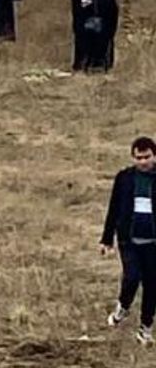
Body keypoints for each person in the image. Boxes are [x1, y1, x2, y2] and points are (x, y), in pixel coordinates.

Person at [100, 136, 156, 345]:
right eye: (138, 158)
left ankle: (145, 328)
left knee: (152, 285)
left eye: (147, 157)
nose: (143, 162)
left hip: (153, 243)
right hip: (129, 240)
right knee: (132, 277)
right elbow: (113, 208)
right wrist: (106, 239)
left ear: (154, 156)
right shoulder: (124, 178)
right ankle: (123, 307)